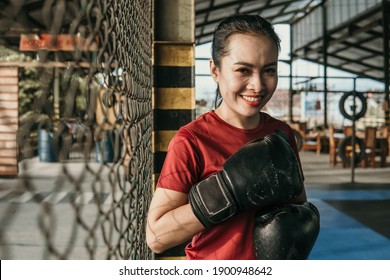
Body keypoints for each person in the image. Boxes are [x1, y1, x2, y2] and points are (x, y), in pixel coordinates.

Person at [146, 14, 319, 260]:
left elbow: (298, 204)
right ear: (215, 71)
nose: (258, 85)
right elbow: (156, 238)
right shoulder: (192, 140)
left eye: (269, 70)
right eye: (243, 70)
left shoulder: (281, 134)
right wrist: (226, 192)